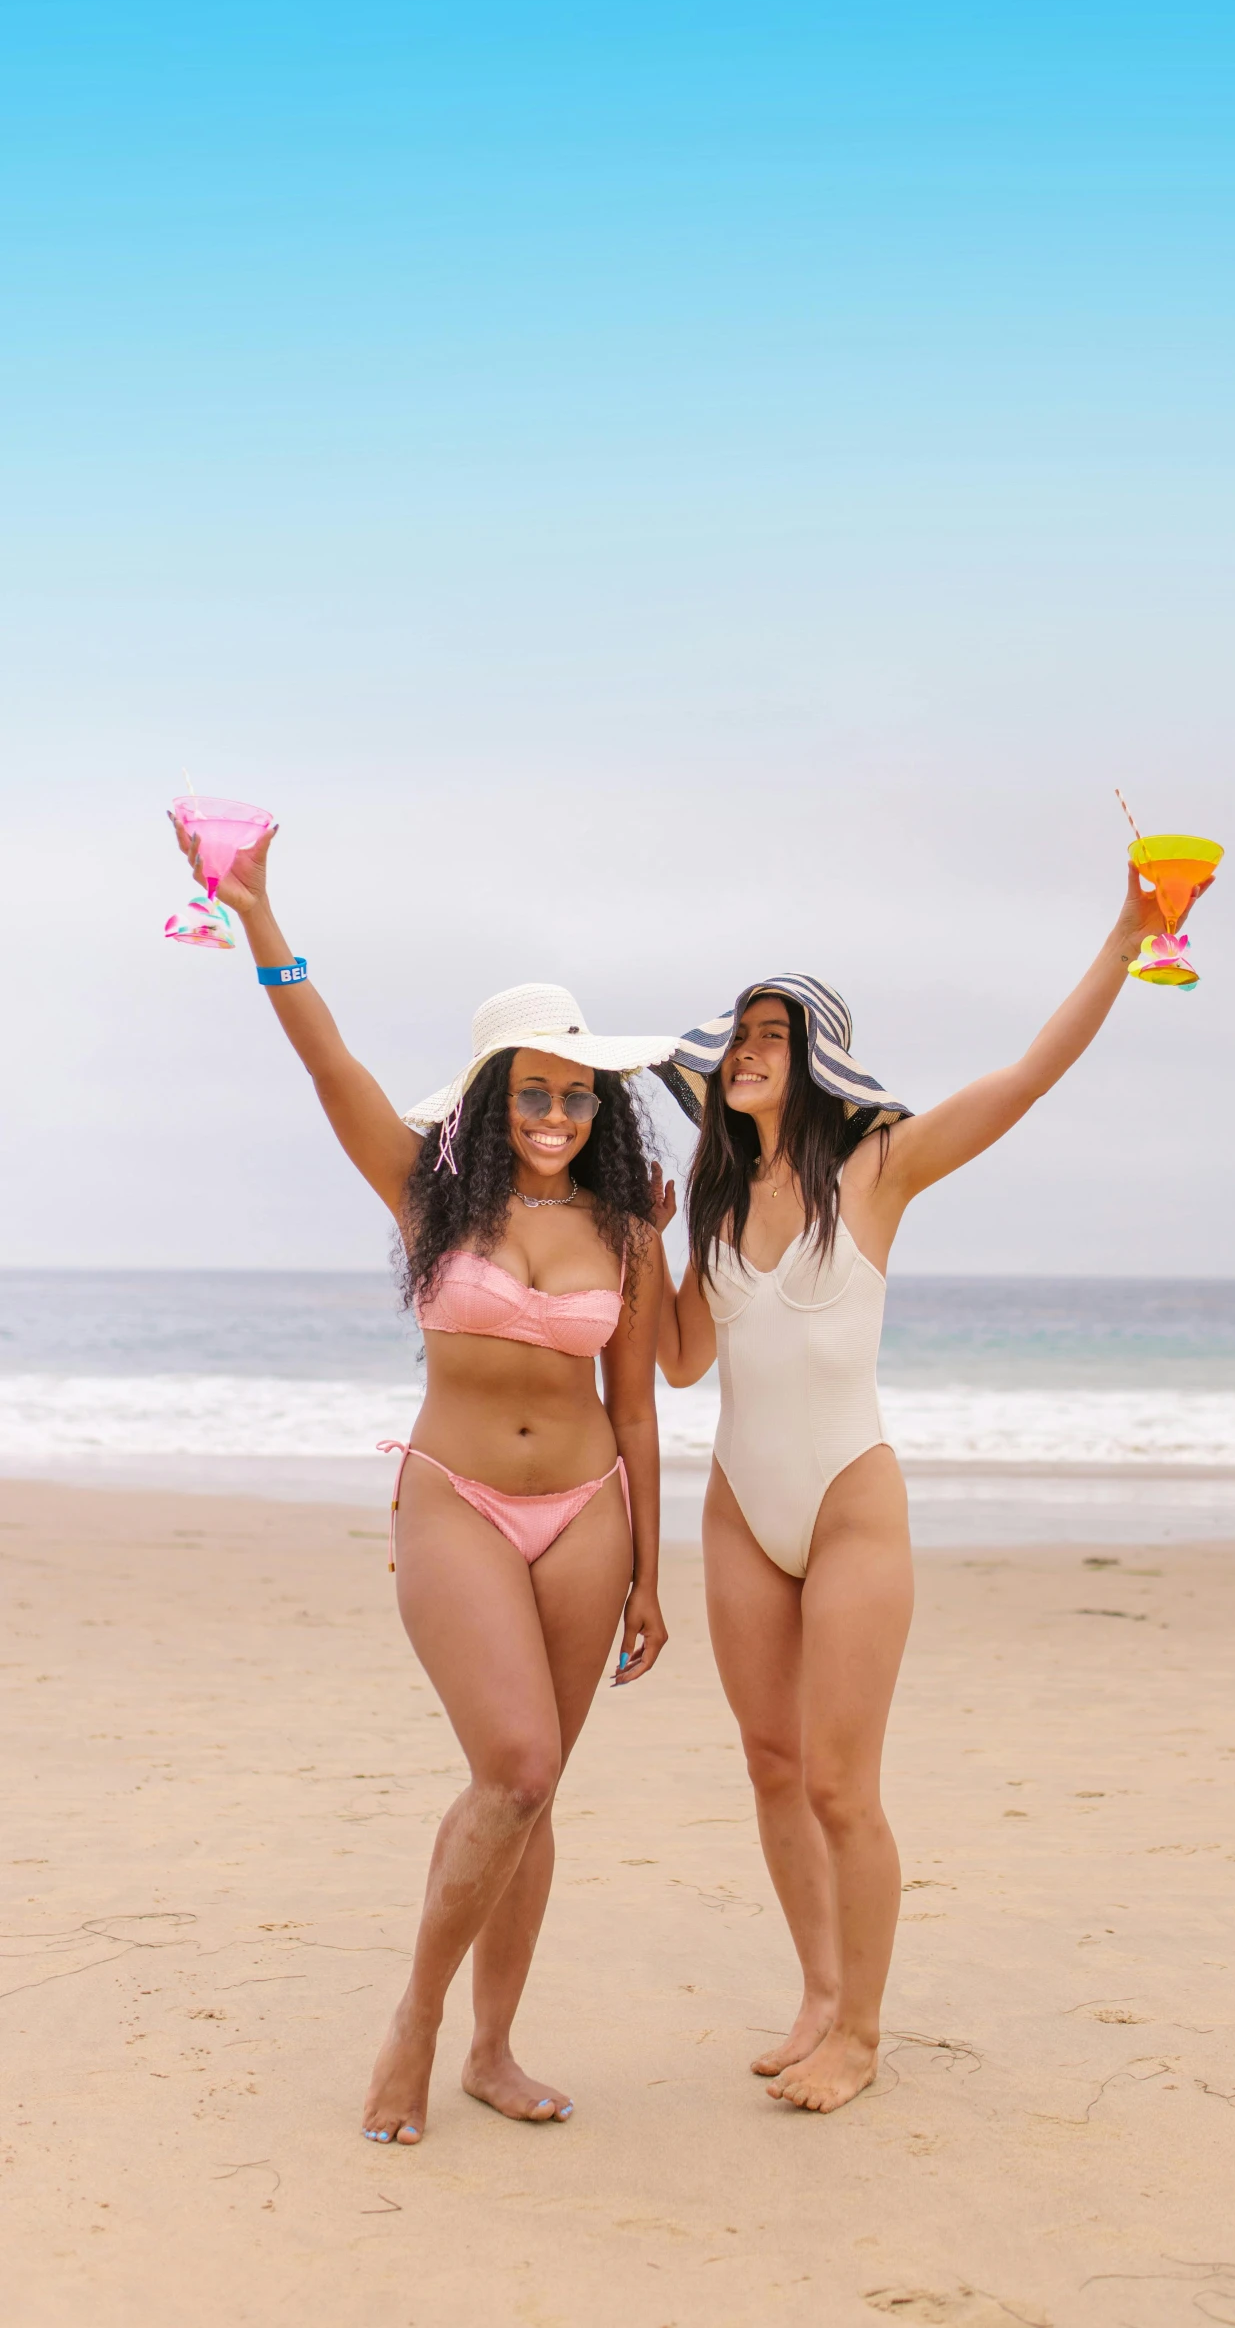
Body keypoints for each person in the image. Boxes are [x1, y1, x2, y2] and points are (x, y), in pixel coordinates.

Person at [170, 814, 673, 2146]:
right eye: (534, 1089)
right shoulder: (429, 1194)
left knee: (537, 1787)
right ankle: (417, 2015)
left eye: (577, 1093)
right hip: (453, 1495)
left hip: (587, 1519)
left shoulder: (625, 1228)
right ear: (493, 1093)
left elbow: (637, 1406)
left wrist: (652, 1577)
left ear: (597, 1105)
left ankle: (494, 2049)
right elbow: (325, 1059)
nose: (557, 1113)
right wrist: (257, 914)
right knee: (508, 1763)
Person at [652, 872, 1191, 2112]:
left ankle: (863, 2031)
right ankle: (816, 1992)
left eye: (769, 1035)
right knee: (770, 1760)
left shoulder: (879, 1171)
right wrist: (640, 1239)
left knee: (843, 1782)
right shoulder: (718, 1200)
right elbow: (683, 1359)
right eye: (736, 1035)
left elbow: (1025, 1075)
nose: (744, 1052)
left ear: (816, 1062)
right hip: (739, 1500)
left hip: (849, 1501)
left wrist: (1123, 935)